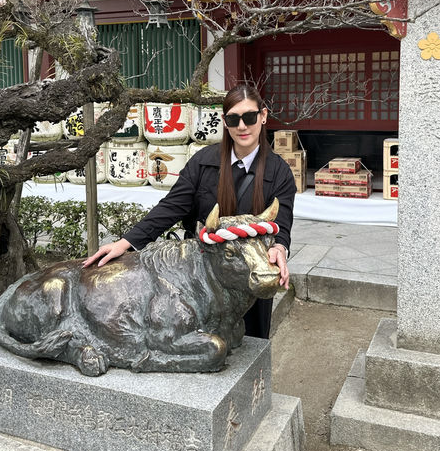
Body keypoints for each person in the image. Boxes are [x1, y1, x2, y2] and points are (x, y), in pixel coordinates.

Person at [83, 83, 296, 339]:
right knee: (199, 343)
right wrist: (126, 242)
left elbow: (281, 224)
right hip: (204, 277)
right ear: (224, 121)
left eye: (249, 117)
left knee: (249, 343)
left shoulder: (279, 172)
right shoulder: (203, 162)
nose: (242, 126)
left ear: (263, 116)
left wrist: (278, 249)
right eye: (233, 118)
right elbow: (172, 206)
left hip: (251, 273)